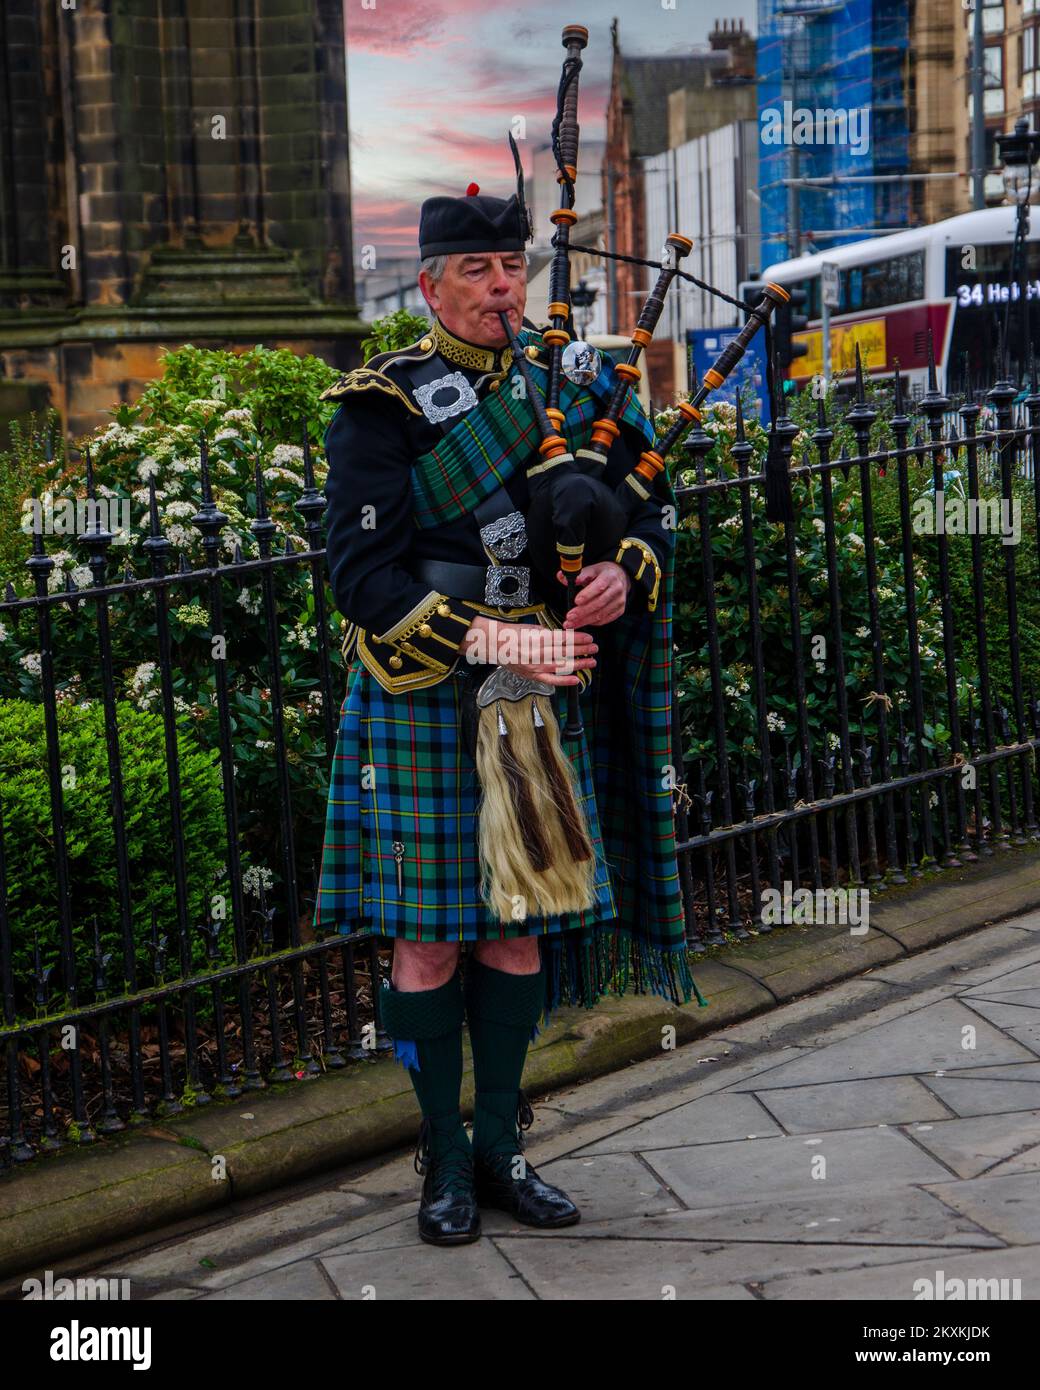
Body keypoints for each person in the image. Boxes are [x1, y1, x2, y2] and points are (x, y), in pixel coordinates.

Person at [314, 185, 705, 1246]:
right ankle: (440, 1160)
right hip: (424, 693)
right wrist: (507, 640)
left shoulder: (569, 377)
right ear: (431, 283)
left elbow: (645, 504)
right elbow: (361, 580)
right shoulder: (380, 406)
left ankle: (503, 1147)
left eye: (509, 268)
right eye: (477, 272)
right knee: (430, 941)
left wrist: (628, 571)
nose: (500, 288)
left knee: (518, 934)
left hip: (536, 698)